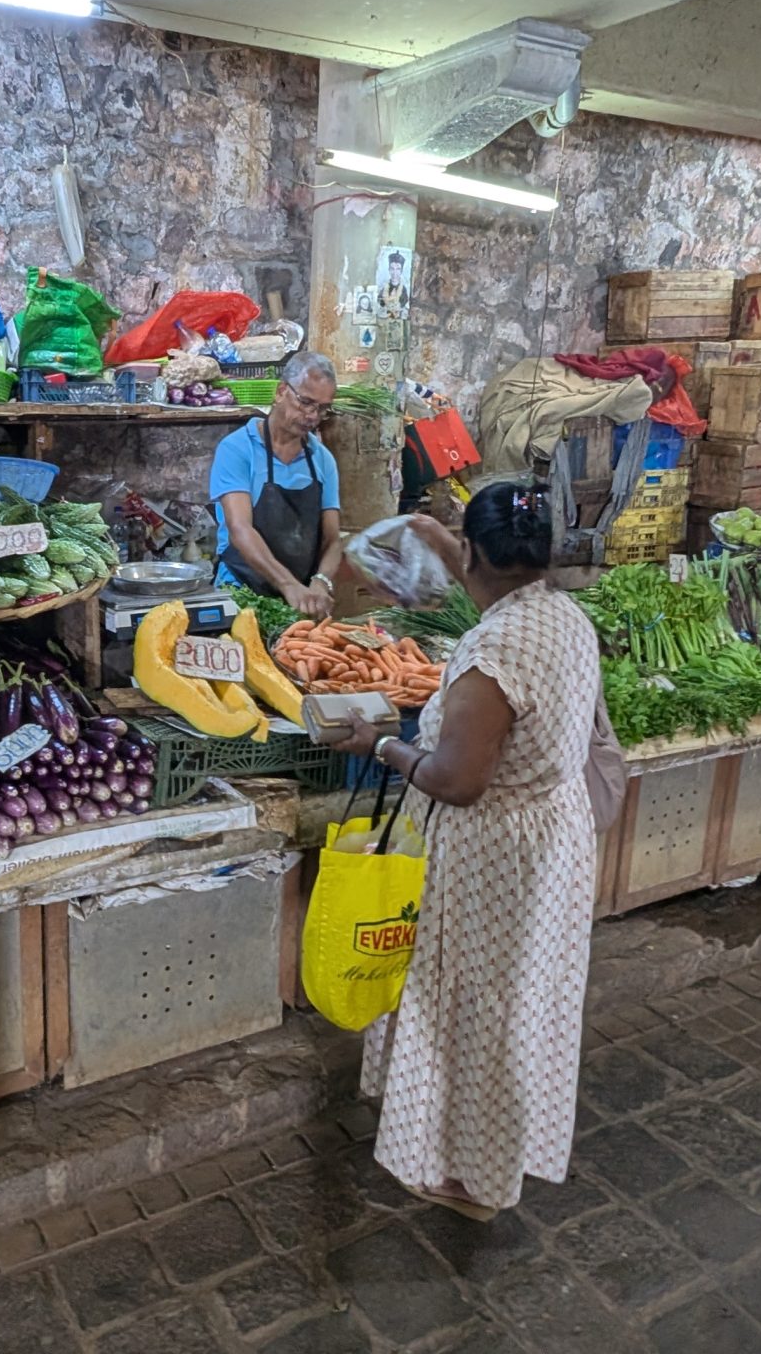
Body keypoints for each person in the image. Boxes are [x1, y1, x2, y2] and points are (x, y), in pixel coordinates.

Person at [314, 484, 610, 1219]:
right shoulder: (560, 614)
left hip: (492, 857)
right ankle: (490, 1159)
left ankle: (466, 1178)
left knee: (473, 1012)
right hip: (551, 842)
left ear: (475, 551)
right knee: (517, 1007)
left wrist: (381, 742)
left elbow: (457, 780)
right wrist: (427, 533)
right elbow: (488, 572)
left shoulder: (494, 652)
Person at [211, 350, 343, 618]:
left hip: (300, 598)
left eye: (322, 408)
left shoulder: (322, 459)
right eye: (306, 402)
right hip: (241, 591)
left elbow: (332, 539)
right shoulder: (238, 449)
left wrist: (321, 582)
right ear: (281, 391)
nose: (312, 415)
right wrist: (287, 584)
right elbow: (240, 529)